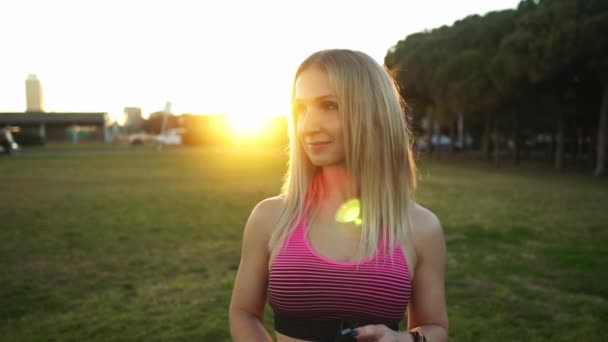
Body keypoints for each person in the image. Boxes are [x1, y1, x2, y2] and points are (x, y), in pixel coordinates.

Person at [229, 49, 448, 342]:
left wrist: (404, 339)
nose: (308, 125)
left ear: (374, 113)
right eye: (301, 109)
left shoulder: (422, 228)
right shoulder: (270, 217)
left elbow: (436, 327)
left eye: (329, 105)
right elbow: (243, 313)